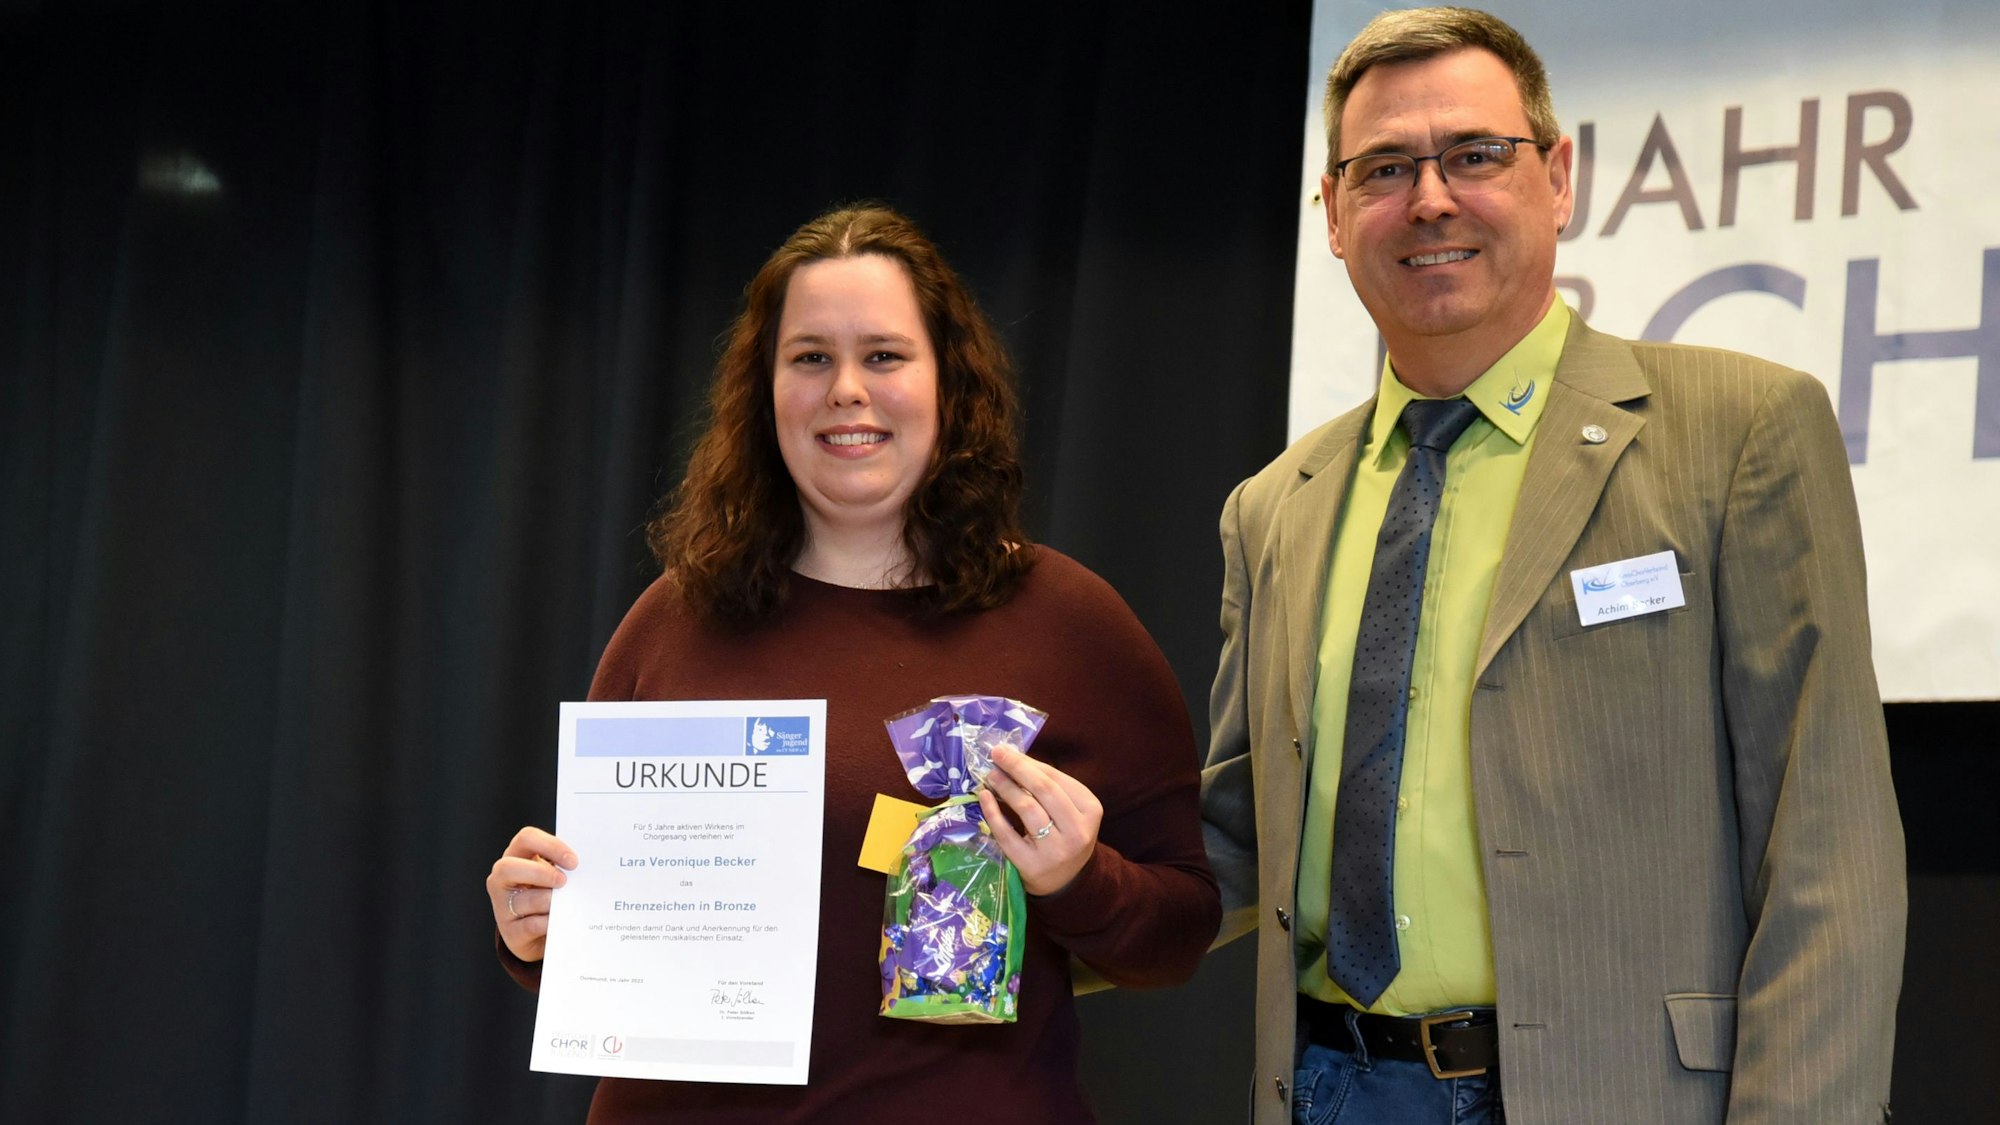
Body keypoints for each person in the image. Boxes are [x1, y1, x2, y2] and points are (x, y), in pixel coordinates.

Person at [1200, 8, 1905, 1124]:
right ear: (1331, 215)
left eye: (1473, 154)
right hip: (1330, 1090)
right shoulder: (1272, 509)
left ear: (1558, 177)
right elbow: (1235, 837)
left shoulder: (1740, 431)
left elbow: (1829, 856)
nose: (1428, 198)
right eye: (1382, 168)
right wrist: (993, 878)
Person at [485, 204, 1219, 1123]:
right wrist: (536, 926)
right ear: (764, 389)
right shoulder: (673, 619)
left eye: (883, 355)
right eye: (810, 358)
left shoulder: (1071, 624)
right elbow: (607, 917)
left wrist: (1079, 878)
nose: (846, 390)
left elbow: (1179, 932)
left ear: (950, 382)